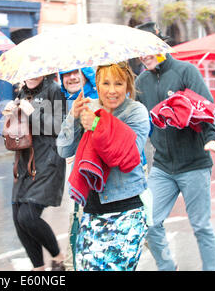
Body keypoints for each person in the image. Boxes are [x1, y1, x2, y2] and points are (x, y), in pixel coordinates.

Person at [135, 22, 215, 271]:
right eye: (139, 50)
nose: (144, 55)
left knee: (201, 226)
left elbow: (206, 108)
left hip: (194, 164)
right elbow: (133, 119)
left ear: (161, 44)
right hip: (163, 166)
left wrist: (211, 138)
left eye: (149, 48)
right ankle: (167, 267)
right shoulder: (141, 81)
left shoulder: (186, 71)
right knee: (149, 222)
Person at [64, 62, 150, 271]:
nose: (112, 90)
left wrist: (96, 124)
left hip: (126, 210)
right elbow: (64, 150)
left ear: (128, 86)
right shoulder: (87, 106)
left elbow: (127, 155)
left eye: (118, 84)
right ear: (98, 85)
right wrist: (73, 118)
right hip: (92, 211)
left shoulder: (136, 112)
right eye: (106, 83)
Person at [11, 73, 67, 271]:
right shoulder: (22, 93)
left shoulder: (53, 90)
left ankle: (58, 256)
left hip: (48, 161)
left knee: (28, 216)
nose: (31, 75)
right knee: (18, 217)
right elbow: (18, 131)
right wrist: (11, 114)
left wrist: (31, 111)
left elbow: (58, 126)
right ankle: (38, 268)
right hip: (25, 162)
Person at [56, 67, 98, 271]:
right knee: (78, 227)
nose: (71, 77)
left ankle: (166, 263)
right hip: (81, 179)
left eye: (75, 73)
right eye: (65, 74)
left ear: (86, 75)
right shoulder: (66, 102)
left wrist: (93, 121)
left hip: (108, 179)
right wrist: (72, 118)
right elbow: (63, 148)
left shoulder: (99, 97)